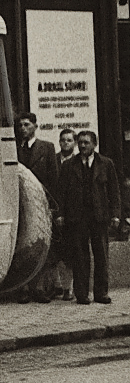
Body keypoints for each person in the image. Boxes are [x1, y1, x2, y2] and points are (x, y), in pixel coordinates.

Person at [57, 131, 121, 305]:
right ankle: (82, 294)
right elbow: (62, 193)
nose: (83, 146)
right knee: (80, 256)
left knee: (101, 255)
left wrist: (115, 215)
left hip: (99, 217)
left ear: (95, 144)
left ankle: (101, 293)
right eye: (80, 143)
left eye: (86, 143)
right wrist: (61, 214)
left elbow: (114, 192)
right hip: (77, 218)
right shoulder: (69, 165)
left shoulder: (106, 164)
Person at [15, 112, 60, 302]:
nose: (23, 128)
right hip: (20, 203)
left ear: (35, 126)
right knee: (22, 243)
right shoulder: (15, 149)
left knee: (41, 244)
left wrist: (51, 204)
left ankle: (39, 288)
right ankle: (23, 288)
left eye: (26, 124)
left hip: (41, 202)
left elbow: (54, 178)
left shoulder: (47, 148)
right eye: (20, 125)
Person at [52, 128, 78, 300]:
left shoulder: (78, 162)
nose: (65, 143)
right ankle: (56, 285)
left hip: (73, 214)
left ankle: (70, 288)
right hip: (55, 210)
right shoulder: (53, 160)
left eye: (69, 140)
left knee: (71, 252)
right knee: (54, 252)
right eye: (63, 140)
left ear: (74, 143)